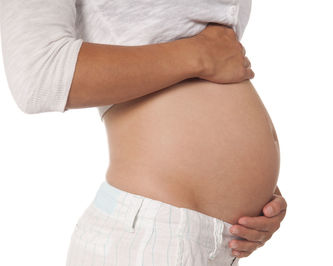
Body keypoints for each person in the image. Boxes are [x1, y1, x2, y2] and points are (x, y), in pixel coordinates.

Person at [0, 0, 287, 265]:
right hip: (150, 234)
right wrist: (200, 55)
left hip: (219, 241)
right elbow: (38, 76)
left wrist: (251, 194)